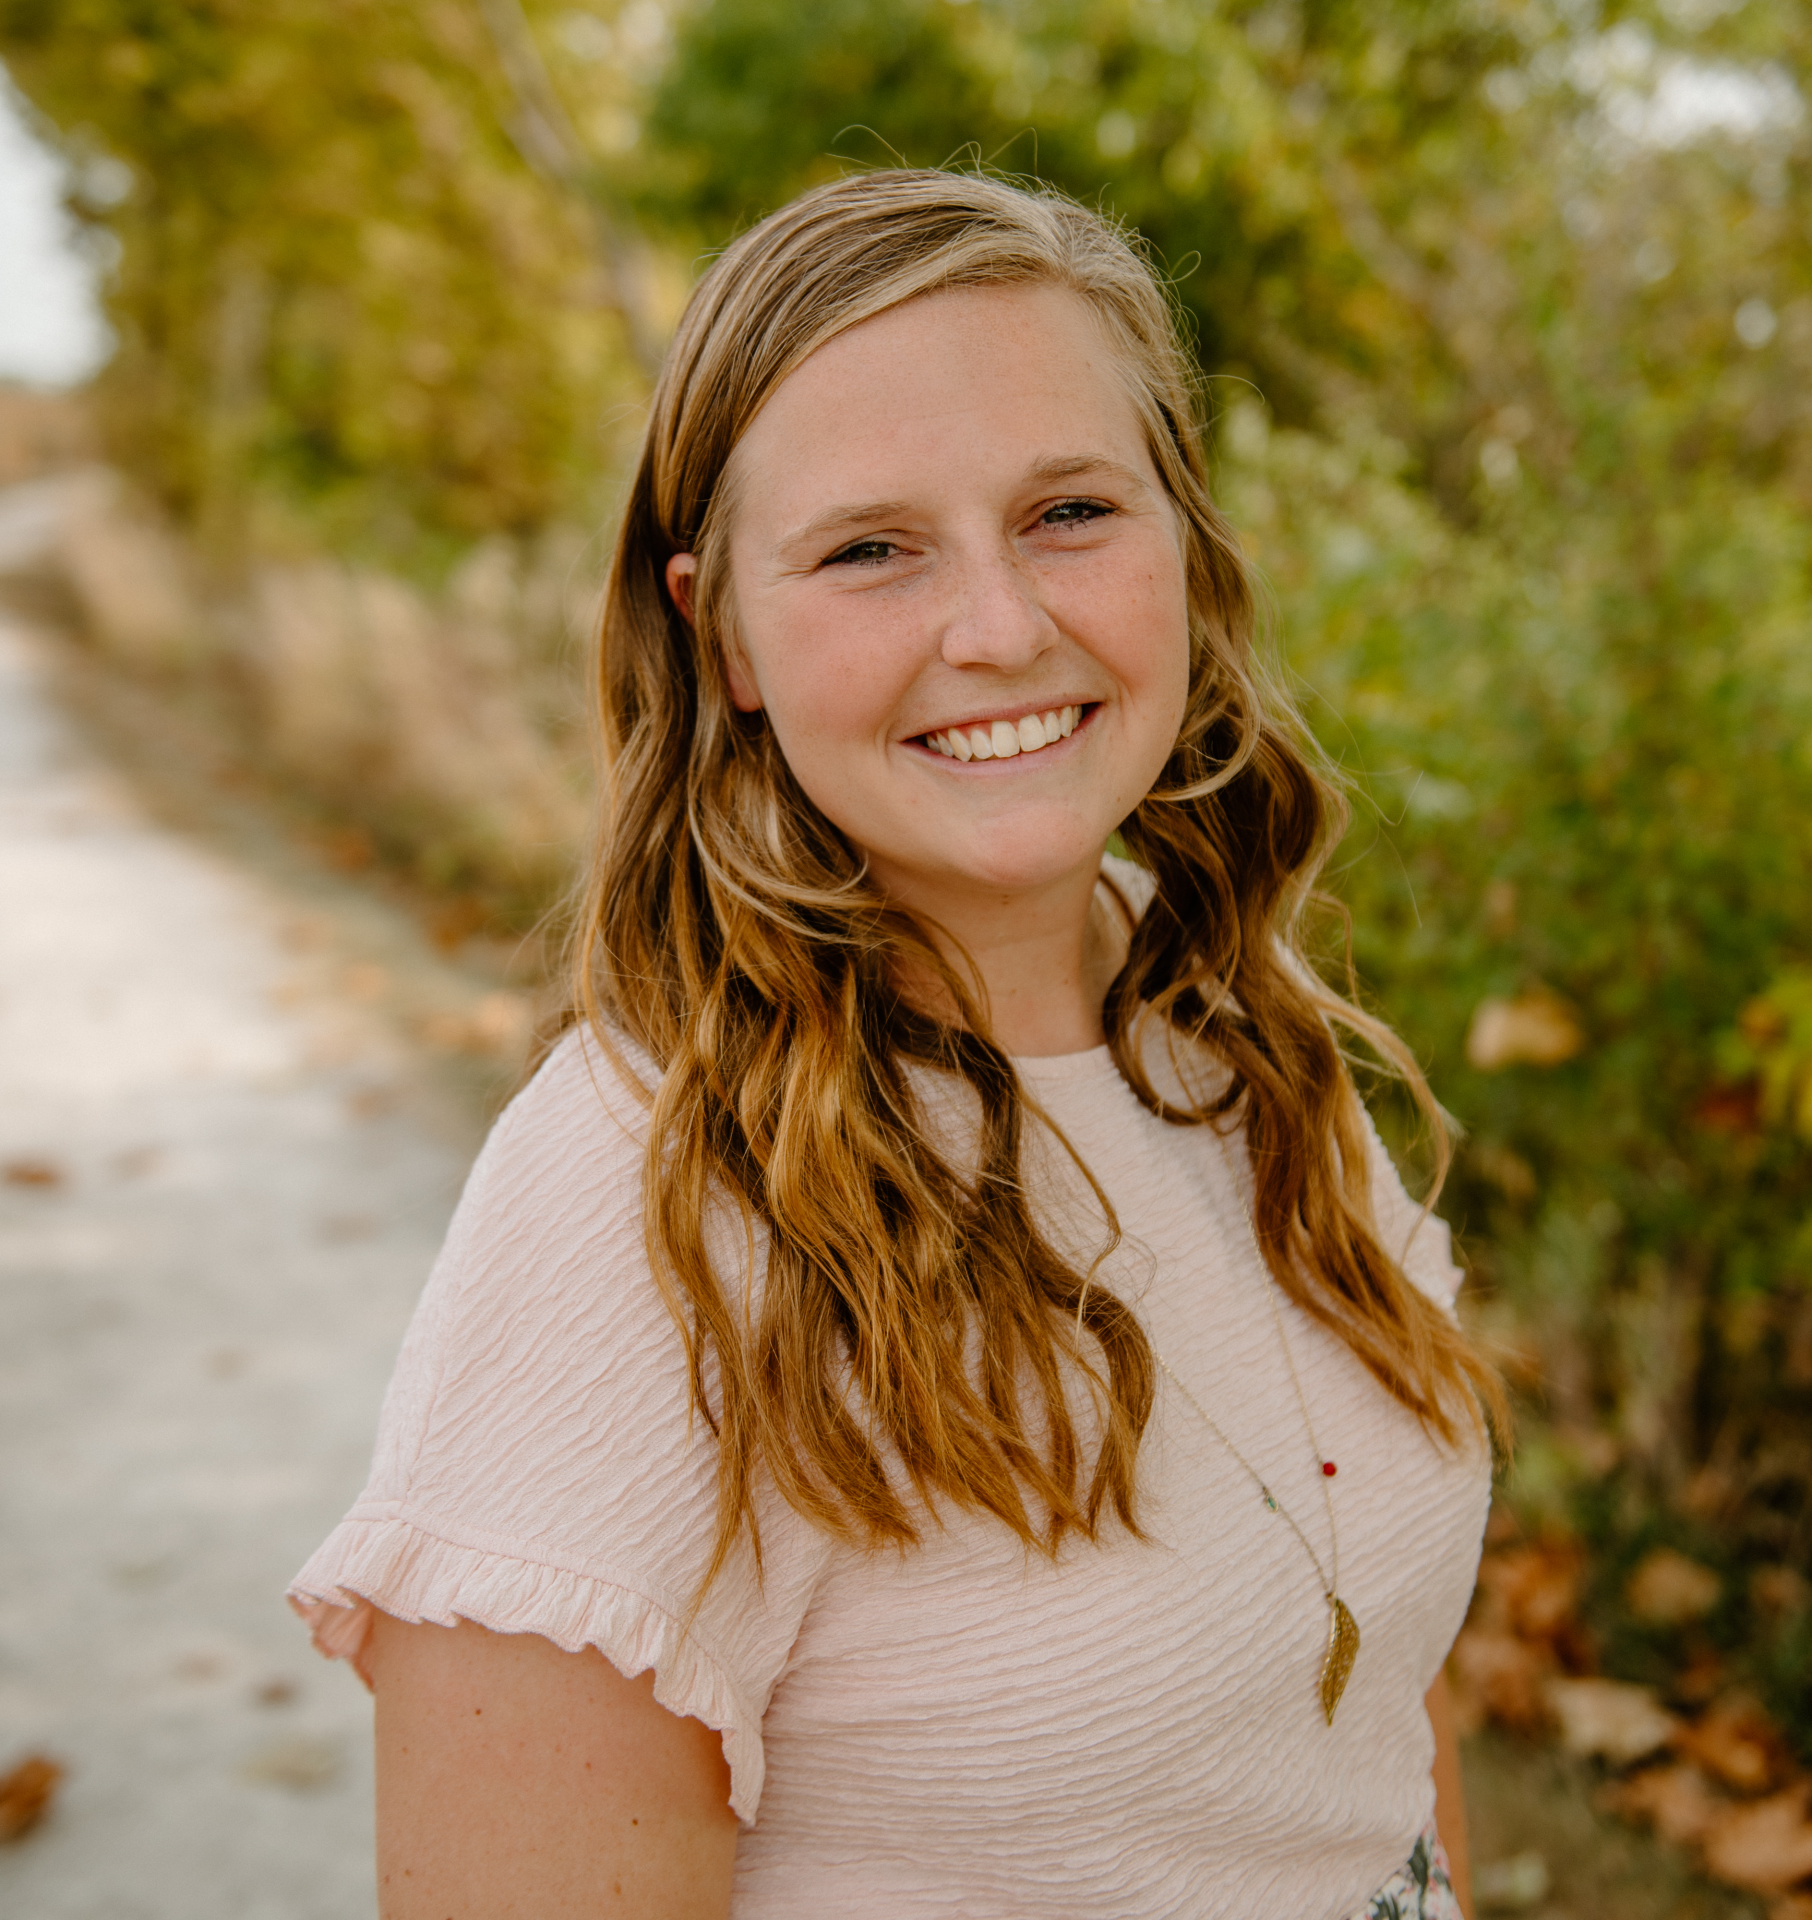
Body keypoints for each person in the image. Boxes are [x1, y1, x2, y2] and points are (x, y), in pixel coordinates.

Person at [290, 168, 1506, 1920]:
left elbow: (1371, 1707)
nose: (1000, 627)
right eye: (871, 549)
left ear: (1184, 540)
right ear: (723, 634)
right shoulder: (633, 1220)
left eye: (1071, 511)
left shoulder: (1246, 1035)